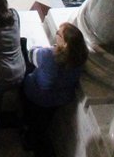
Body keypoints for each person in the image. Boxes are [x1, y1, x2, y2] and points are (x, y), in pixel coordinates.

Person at [21, 22, 89, 156]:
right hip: (59, 99)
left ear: (65, 44)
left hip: (37, 95)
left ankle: (28, 139)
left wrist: (45, 49)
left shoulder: (48, 55)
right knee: (43, 121)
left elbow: (31, 54)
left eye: (59, 34)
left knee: (33, 118)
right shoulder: (80, 57)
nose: (56, 34)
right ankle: (34, 139)